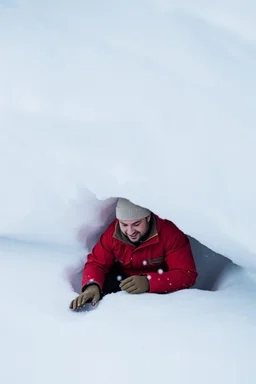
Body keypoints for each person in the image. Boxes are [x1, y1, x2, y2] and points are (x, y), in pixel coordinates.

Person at [69, 198, 198, 310]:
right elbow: (97, 263)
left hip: (159, 286)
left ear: (148, 218)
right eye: (124, 224)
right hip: (122, 281)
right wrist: (92, 285)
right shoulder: (112, 234)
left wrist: (149, 282)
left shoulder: (170, 234)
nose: (130, 231)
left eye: (136, 224)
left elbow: (187, 274)